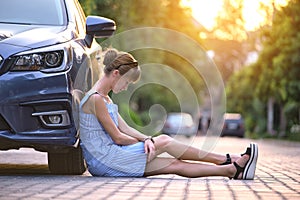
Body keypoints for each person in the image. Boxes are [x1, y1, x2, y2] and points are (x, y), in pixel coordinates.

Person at [79, 48, 258, 179]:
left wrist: (148, 139)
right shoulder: (95, 99)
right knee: (164, 140)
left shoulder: (106, 100)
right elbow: (118, 137)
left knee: (174, 164)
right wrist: (149, 142)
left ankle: (231, 170)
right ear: (116, 74)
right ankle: (226, 159)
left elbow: (125, 128)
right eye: (126, 82)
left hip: (113, 157)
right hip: (105, 160)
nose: (125, 87)